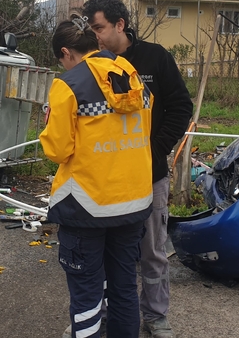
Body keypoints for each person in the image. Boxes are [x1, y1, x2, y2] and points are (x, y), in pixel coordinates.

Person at [82, 0, 193, 338]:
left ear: (120, 25)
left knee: (153, 253)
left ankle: (156, 316)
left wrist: (154, 150)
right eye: (91, 29)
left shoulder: (154, 59)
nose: (95, 36)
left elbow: (180, 107)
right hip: (106, 182)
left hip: (149, 177)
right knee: (110, 256)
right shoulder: (91, 66)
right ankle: (107, 314)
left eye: (99, 28)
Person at [40, 19, 154, 338]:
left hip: (86, 207)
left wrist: (49, 125)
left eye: (61, 60)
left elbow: (59, 150)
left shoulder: (69, 84)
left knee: (87, 297)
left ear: (66, 52)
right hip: (133, 204)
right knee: (124, 291)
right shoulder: (133, 77)